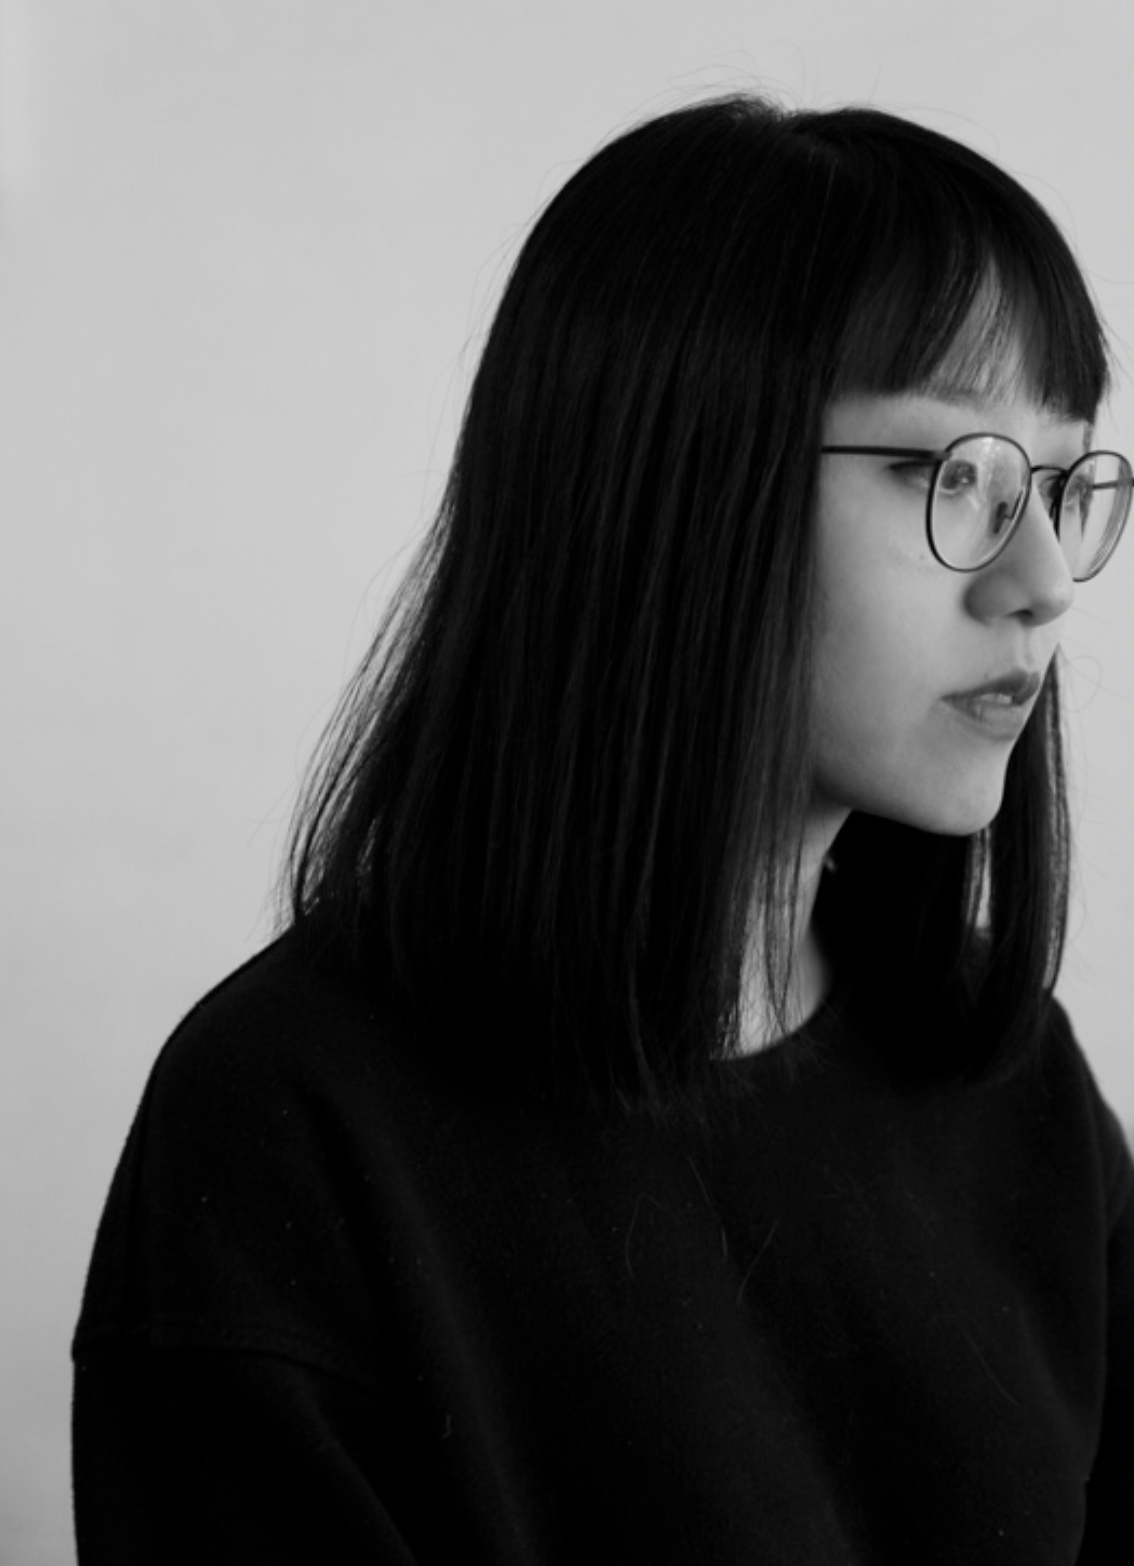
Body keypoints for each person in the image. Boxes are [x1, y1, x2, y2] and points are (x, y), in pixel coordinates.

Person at [72, 94, 1134, 1563]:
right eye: (949, 473)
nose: (1044, 580)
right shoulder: (289, 1138)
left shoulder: (1006, 1081)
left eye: (1064, 484)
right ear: (672, 477)